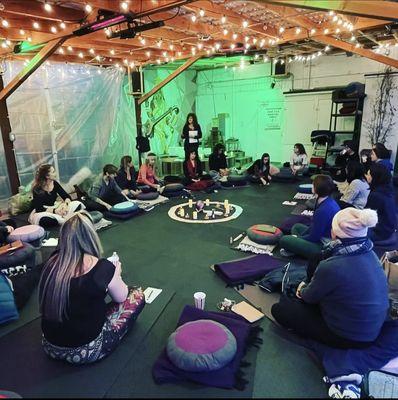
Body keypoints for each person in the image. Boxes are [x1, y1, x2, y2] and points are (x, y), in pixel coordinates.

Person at [272, 207, 389, 349]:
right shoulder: (371, 254)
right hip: (370, 328)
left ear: (335, 233)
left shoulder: (332, 266)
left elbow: (308, 297)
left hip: (348, 335)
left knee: (279, 309)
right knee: (317, 261)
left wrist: (301, 289)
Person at [39, 211, 145, 365]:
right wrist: (117, 275)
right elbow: (121, 297)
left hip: (50, 346)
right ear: (90, 237)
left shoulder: (52, 262)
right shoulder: (103, 268)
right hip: (86, 350)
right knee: (136, 294)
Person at [279, 175, 340, 259]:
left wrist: (298, 238)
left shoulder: (323, 210)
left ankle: (295, 249)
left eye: (313, 184)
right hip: (322, 236)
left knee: (284, 239)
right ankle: (296, 248)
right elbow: (314, 227)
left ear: (316, 189)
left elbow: (314, 237)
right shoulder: (328, 200)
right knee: (296, 227)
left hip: (323, 246)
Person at [365, 163, 397, 243]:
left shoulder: (376, 195)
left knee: (350, 234)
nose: (366, 176)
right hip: (389, 228)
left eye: (368, 174)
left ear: (375, 177)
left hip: (379, 232)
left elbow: (367, 218)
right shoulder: (388, 189)